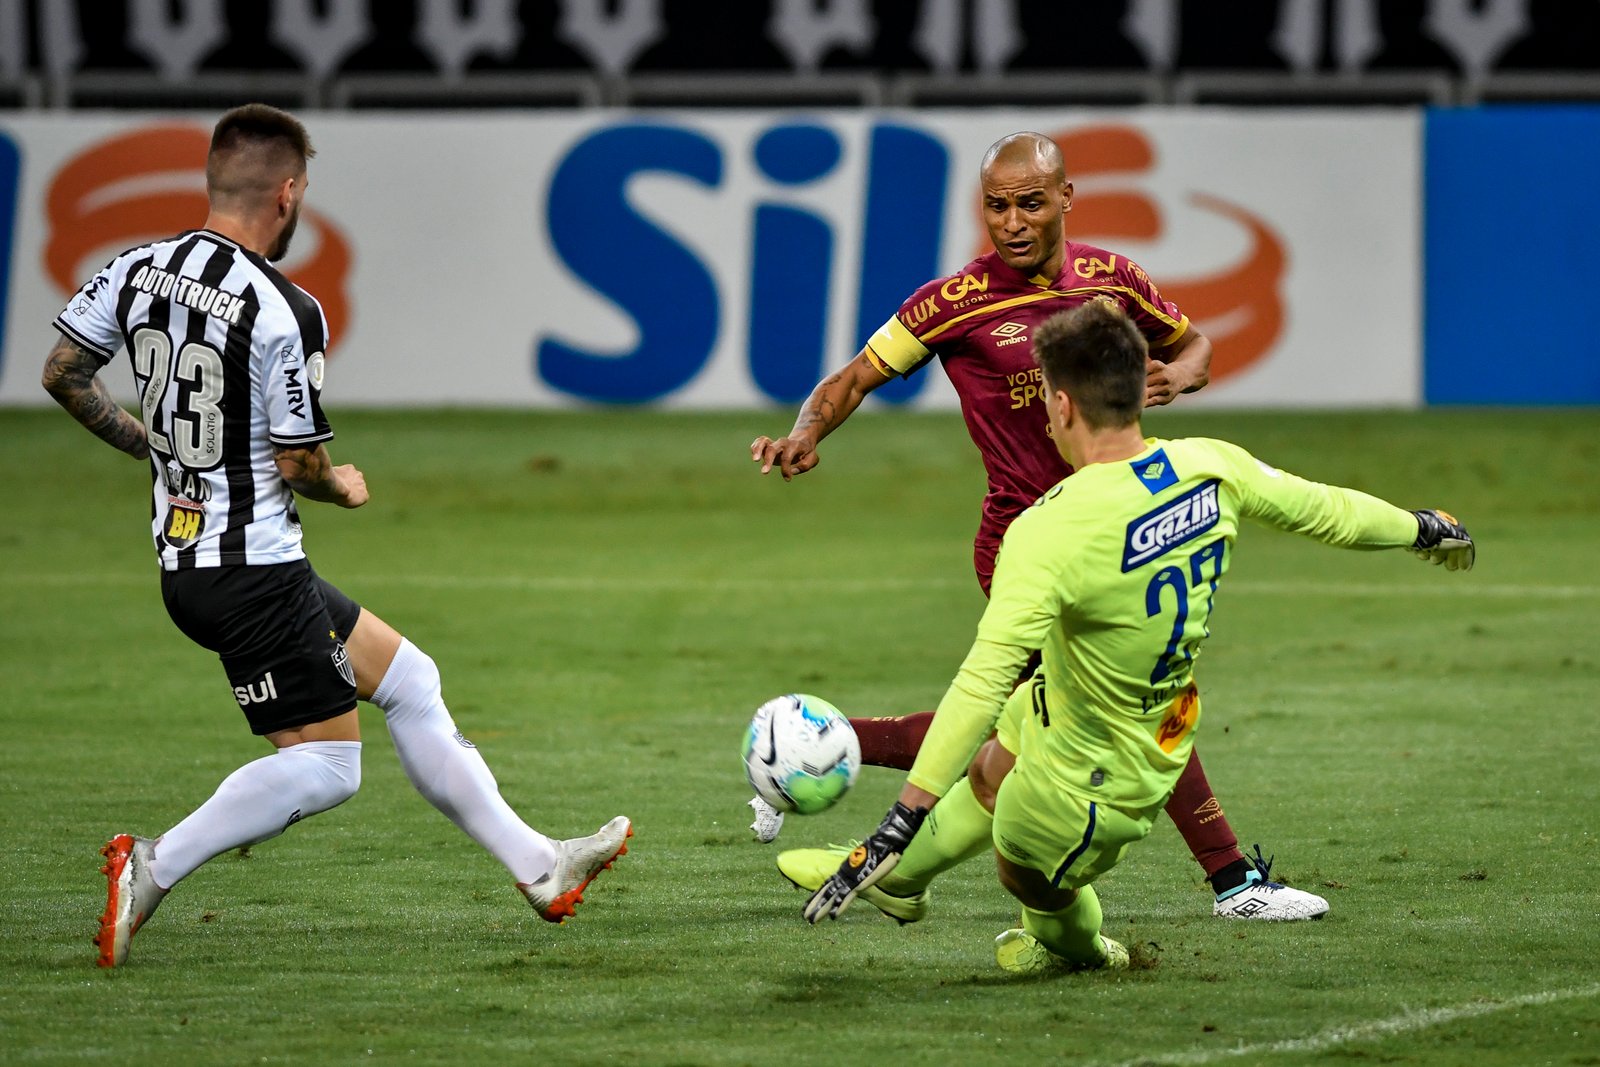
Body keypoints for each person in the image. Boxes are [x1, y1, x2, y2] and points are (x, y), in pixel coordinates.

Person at [42, 104, 631, 968]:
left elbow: (62, 371)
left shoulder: (134, 269)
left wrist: (150, 445)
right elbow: (298, 462)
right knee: (328, 767)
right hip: (253, 569)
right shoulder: (285, 308)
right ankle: (152, 865)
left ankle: (539, 864)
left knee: (410, 679)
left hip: (194, 559)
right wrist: (341, 485)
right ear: (287, 193)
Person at [801, 300, 1475, 973]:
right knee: (992, 762)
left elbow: (979, 679)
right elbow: (1328, 510)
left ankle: (1085, 949)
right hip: (1123, 718)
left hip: (1094, 778)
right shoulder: (1211, 465)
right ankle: (902, 883)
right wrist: (1420, 525)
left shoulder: (1047, 528)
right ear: (1139, 383)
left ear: (1060, 407)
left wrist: (900, 819)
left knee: (1028, 872)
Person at [750, 130, 1315, 921]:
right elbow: (851, 379)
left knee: (1027, 727)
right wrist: (807, 429)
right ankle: (1233, 884)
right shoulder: (951, 302)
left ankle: (832, 758)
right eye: (994, 206)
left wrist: (1179, 374)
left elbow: (1195, 345)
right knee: (1134, 701)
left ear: (1066, 200)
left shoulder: (1113, 279)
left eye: (1029, 203)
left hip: (1118, 530)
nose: (1010, 222)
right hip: (1028, 542)